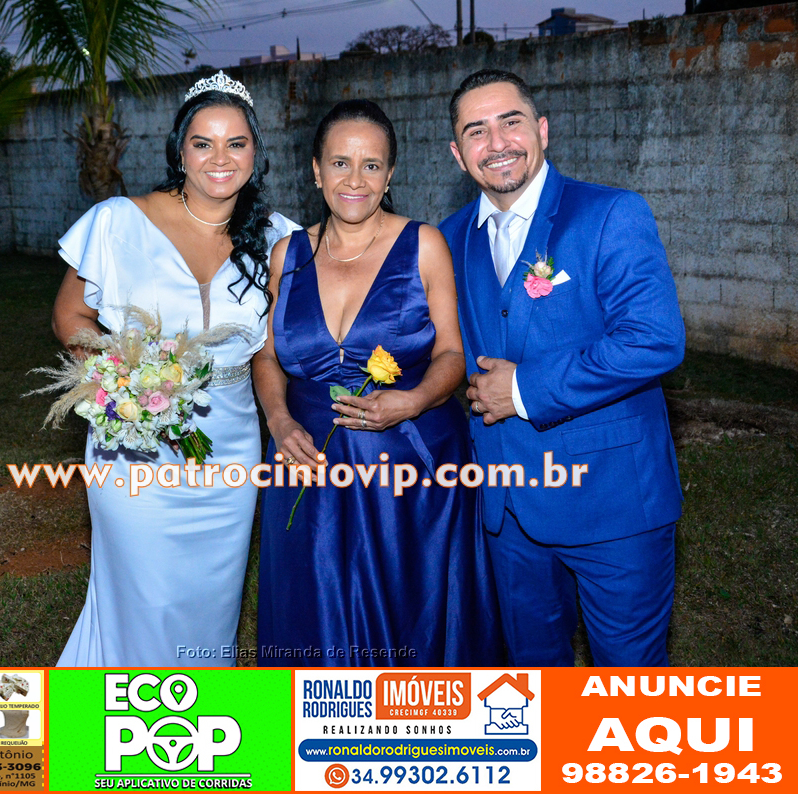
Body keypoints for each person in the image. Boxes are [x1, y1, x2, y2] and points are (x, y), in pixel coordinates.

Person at [439, 69, 685, 667]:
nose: (497, 143)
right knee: (533, 683)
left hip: (614, 504)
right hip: (507, 511)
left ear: (542, 130)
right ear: (457, 153)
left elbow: (653, 339)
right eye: (476, 131)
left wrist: (523, 389)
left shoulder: (610, 214)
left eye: (511, 122)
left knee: (629, 688)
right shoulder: (447, 240)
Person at [52, 72, 299, 666]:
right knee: (143, 592)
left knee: (212, 599)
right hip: (134, 445)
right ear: (179, 150)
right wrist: (120, 384)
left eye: (236, 143)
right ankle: (125, 712)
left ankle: (198, 712)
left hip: (231, 448)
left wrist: (281, 419)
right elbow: (69, 315)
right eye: (203, 143)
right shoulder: (119, 221)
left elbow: (270, 350)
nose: (221, 158)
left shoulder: (277, 238)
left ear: (256, 153)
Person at [254, 100, 501, 667]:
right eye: (340, 163)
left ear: (390, 175)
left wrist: (413, 400)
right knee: (314, 612)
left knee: (409, 620)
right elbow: (266, 356)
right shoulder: (287, 254)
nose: (355, 180)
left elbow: (452, 353)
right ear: (316, 171)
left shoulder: (424, 244)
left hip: (407, 467)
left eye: (371, 165)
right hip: (306, 462)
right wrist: (280, 421)